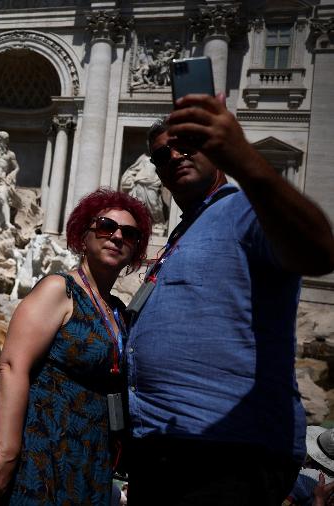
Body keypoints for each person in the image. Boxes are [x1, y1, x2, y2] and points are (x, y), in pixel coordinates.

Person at [123, 93, 334, 505]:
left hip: (227, 450)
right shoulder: (186, 230)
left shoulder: (247, 210)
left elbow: (319, 251)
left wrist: (243, 159)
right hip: (165, 450)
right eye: (163, 154)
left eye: (188, 144)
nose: (175, 155)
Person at [0, 189, 151, 505]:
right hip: (41, 446)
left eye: (129, 233)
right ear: (84, 234)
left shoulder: (118, 310)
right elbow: (12, 366)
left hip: (90, 454)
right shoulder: (59, 289)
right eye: (107, 226)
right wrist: (8, 454)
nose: (117, 236)